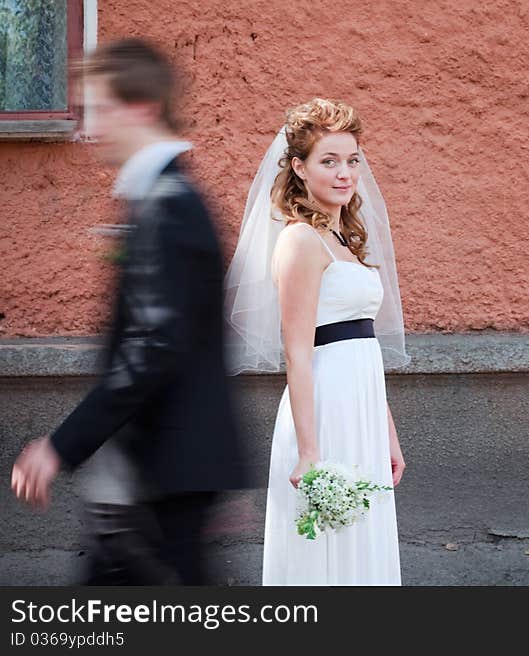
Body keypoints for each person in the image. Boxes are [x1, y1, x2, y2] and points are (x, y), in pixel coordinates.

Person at [10, 38, 249, 584]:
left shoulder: (171, 205)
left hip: (170, 472)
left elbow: (153, 347)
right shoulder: (159, 198)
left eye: (97, 109)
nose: (86, 128)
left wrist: (58, 447)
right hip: (155, 472)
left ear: (141, 108)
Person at [224, 98, 410, 585]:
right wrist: (310, 450)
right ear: (299, 168)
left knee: (360, 541)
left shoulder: (345, 242)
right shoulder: (300, 241)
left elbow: (362, 345)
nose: (345, 173)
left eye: (352, 160)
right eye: (329, 161)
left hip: (361, 409)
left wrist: (385, 432)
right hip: (323, 412)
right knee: (325, 551)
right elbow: (299, 353)